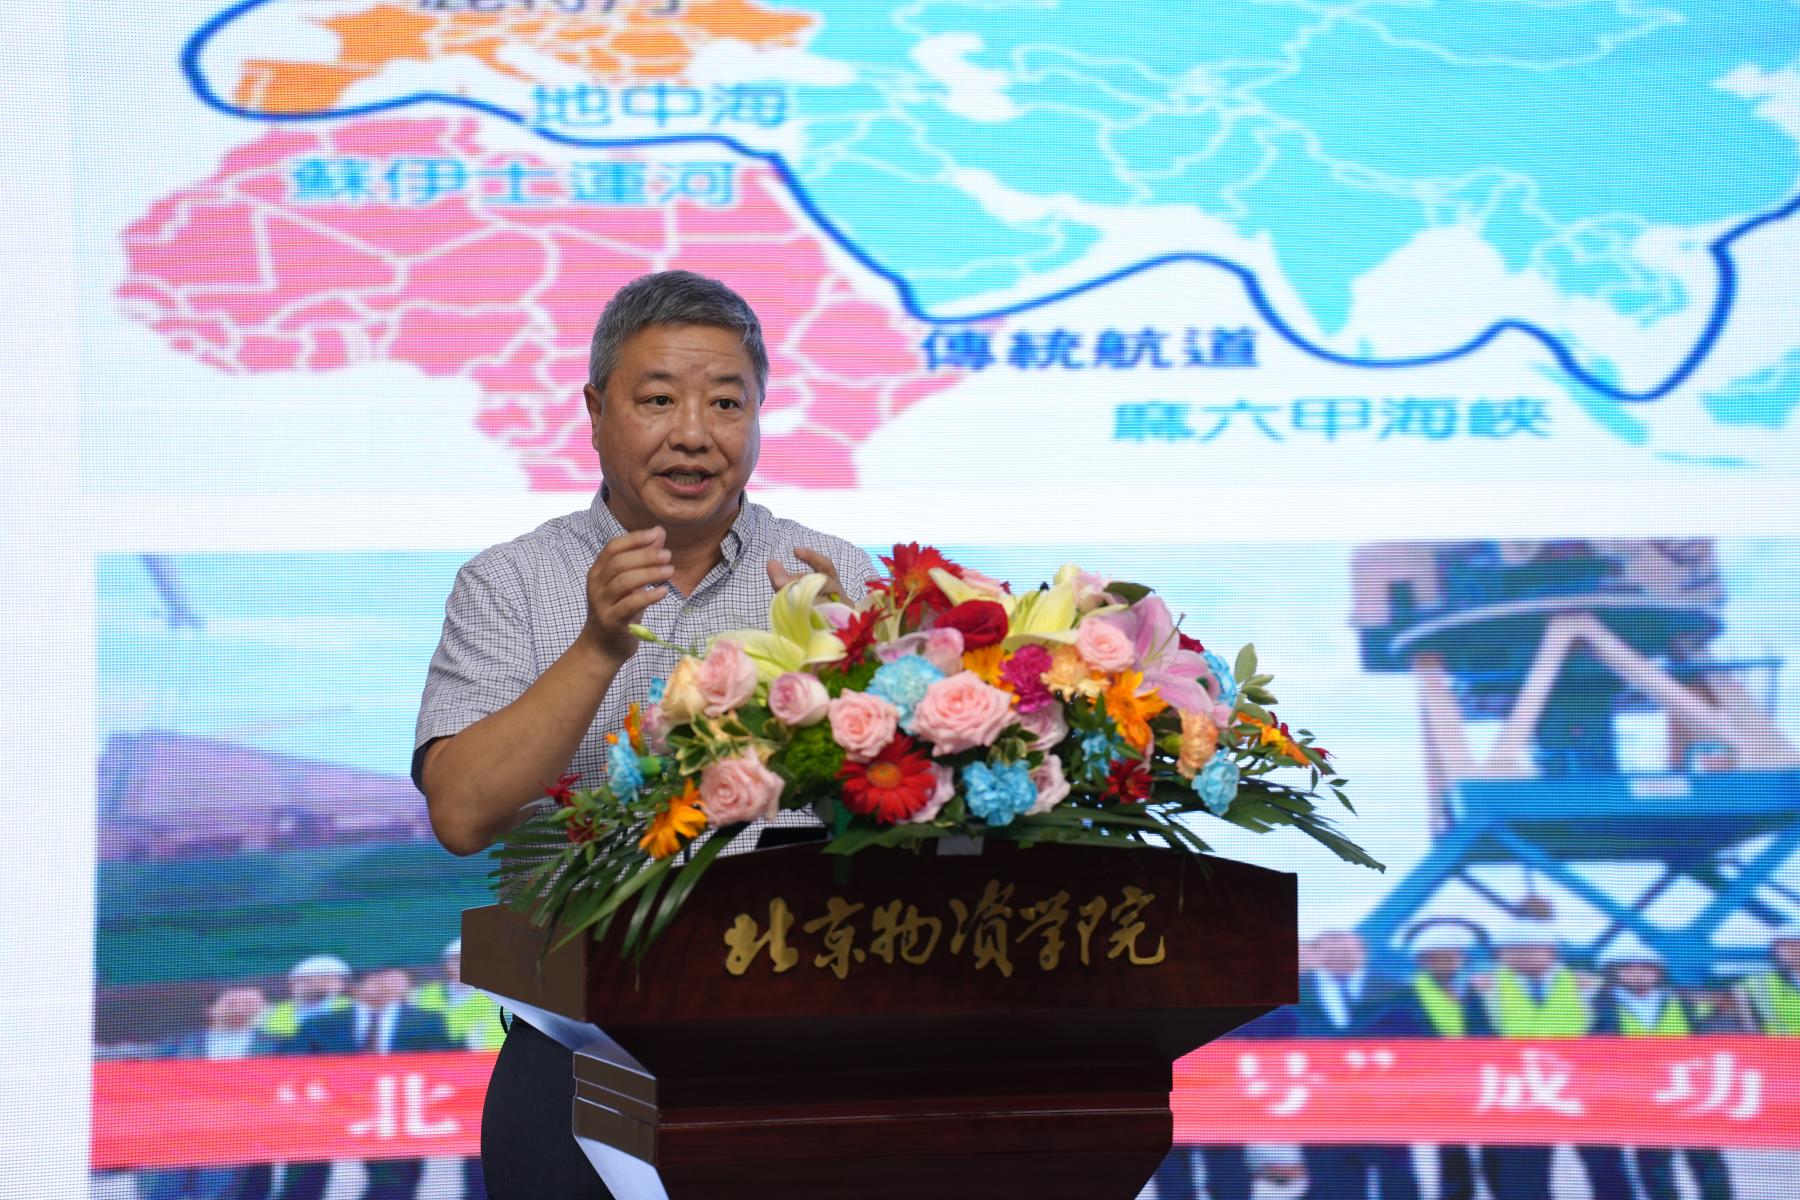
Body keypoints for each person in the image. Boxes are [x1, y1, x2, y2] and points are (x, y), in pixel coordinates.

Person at [414, 271, 879, 1199]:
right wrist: (597, 645)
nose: (695, 433)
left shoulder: (832, 575)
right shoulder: (511, 584)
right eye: (659, 400)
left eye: (726, 402)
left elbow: (918, 817)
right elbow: (461, 814)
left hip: (805, 1058)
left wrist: (861, 679)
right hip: (578, 1054)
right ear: (595, 412)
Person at [1475, 920, 1629, 1200]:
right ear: (1499, 954)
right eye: (1512, 950)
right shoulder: (1484, 987)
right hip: (1520, 1093)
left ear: (1552, 951)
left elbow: (1609, 1031)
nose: (1521, 956)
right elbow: (1476, 1036)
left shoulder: (1588, 985)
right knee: (1524, 1174)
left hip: (1582, 1088)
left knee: (1605, 1167)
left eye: (1531, 949)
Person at [277, 969, 456, 1200]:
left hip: (393, 1114)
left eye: (396, 980)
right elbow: (293, 1065)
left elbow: (444, 1064)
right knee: (304, 1180)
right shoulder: (321, 1023)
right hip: (329, 1112)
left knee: (393, 1184)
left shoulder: (427, 1020)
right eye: (380, 979)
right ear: (355, 986)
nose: (389, 985)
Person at [1588, 938, 1736, 1200]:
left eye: (1646, 966)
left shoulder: (1686, 1003)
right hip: (1639, 1099)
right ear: (1613, 971)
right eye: (1628, 966)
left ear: (1658, 971)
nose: (1638, 972)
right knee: (1655, 1169)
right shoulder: (1596, 1007)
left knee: (1708, 1163)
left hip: (1689, 1094)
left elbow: (1715, 1042)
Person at [1293, 930, 1419, 1200]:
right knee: (1333, 1183)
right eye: (1330, 951)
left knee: (1397, 1180)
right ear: (1316, 955)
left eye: (1346, 951)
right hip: (1319, 1104)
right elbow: (1263, 1037)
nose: (1338, 957)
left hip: (1384, 1103)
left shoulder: (1396, 989)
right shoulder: (1293, 991)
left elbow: (1421, 1039)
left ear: (1363, 953)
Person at [140, 987, 276, 1200]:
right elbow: (150, 1086)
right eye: (233, 1001)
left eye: (251, 1002)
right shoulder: (177, 1044)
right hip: (176, 1135)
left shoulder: (274, 1047)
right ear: (211, 1009)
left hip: (233, 1137)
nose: (241, 1006)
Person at [1391, 924, 1491, 1200]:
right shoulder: (1407, 993)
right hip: (1437, 1080)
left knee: (1496, 1144)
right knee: (1452, 1146)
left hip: (1478, 1075)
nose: (1448, 962)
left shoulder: (1476, 991)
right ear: (1423, 960)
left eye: (1453, 956)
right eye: (1439, 956)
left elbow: (1486, 1029)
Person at [411, 939, 501, 1199]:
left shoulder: (497, 998)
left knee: (478, 1154)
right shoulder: (423, 995)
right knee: (413, 1156)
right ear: (445, 964)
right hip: (430, 1087)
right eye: (455, 958)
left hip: (479, 1085)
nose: (462, 963)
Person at [260, 955, 352, 1042]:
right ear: (291, 985)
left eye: (326, 979)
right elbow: (270, 1040)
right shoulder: (277, 1011)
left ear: (342, 984)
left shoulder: (350, 1007)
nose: (315, 984)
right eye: (306, 980)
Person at [1736, 922, 1800, 1034]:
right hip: (1779, 1041)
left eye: (1792, 944)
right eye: (1780, 947)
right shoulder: (1761, 981)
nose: (1786, 951)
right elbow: (1739, 993)